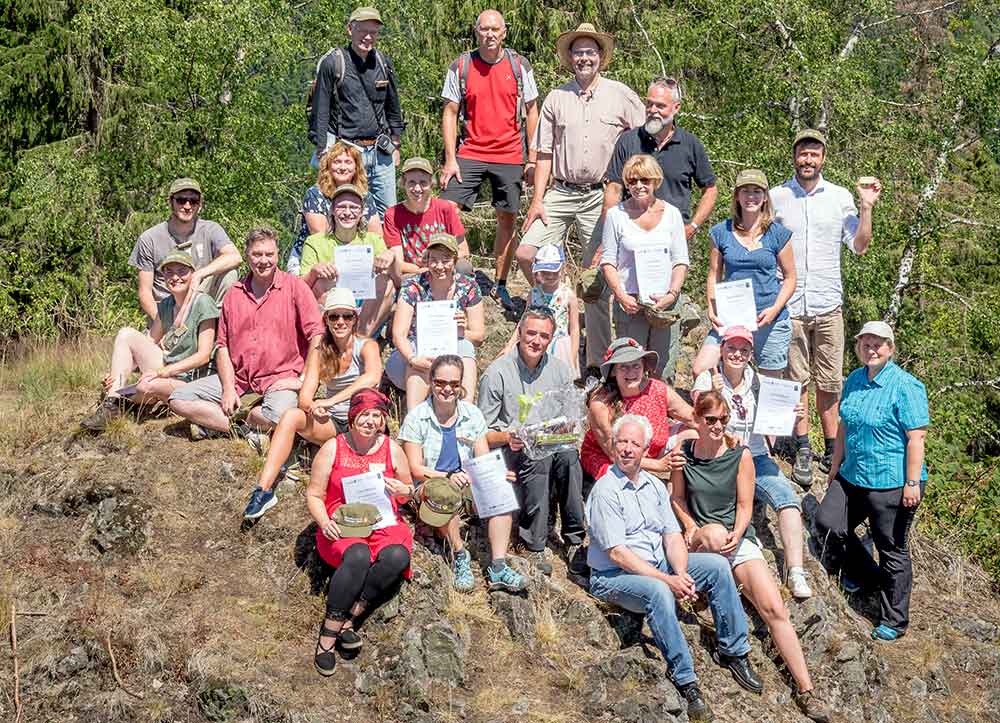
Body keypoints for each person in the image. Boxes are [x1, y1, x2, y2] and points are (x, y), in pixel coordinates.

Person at [670, 392, 831, 722]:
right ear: (698, 420)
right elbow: (677, 499)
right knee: (712, 534)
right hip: (702, 537)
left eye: (723, 420)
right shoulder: (684, 453)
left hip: (736, 537)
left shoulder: (740, 455)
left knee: (774, 607)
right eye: (711, 420)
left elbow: (745, 506)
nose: (717, 426)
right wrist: (689, 526)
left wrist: (737, 534)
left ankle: (806, 689)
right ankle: (709, 603)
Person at [587, 414, 758, 722]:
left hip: (658, 564)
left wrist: (679, 572)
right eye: (622, 442)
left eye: (634, 444)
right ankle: (686, 680)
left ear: (644, 450)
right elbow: (618, 555)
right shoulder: (605, 490)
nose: (627, 449)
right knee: (657, 592)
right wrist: (668, 580)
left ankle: (733, 650)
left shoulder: (653, 485)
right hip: (614, 576)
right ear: (613, 446)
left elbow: (672, 535)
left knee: (718, 566)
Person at [770, 129, 883, 483]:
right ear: (794, 157)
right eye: (803, 154)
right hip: (789, 304)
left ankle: (834, 448)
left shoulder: (839, 197)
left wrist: (866, 208)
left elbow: (860, 245)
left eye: (814, 154)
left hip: (827, 303)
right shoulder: (777, 197)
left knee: (831, 383)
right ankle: (803, 447)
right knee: (796, 382)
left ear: (823, 158)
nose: (808, 160)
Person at [814, 321, 928, 642]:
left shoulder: (906, 386)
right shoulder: (853, 380)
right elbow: (844, 427)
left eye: (878, 344)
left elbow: (916, 437)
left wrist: (911, 482)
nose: (872, 349)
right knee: (827, 523)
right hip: (853, 475)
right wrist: (835, 466)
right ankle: (867, 576)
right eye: (866, 343)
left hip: (892, 482)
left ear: (890, 348)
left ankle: (894, 619)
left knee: (890, 547)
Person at [598, 77, 717, 379]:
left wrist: (692, 226)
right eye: (649, 103)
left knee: (664, 351)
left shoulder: (690, 144)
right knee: (629, 352)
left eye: (660, 105)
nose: (652, 109)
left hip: (671, 238)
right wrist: (612, 228)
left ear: (675, 108)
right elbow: (613, 187)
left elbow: (710, 189)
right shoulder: (629, 141)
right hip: (631, 241)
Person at [515, 23, 644, 282]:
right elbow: (544, 154)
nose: (584, 58)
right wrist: (537, 200)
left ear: (600, 56)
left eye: (590, 52)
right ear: (570, 58)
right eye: (578, 52)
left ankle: (589, 319)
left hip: (601, 195)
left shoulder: (621, 95)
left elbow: (644, 141)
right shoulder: (556, 97)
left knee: (596, 271)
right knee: (527, 254)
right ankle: (556, 304)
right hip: (560, 193)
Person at [691, 326, 813, 598]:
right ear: (721, 350)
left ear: (751, 354)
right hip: (722, 458)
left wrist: (791, 414)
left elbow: (774, 419)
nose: (737, 354)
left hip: (756, 456)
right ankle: (745, 541)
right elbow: (697, 409)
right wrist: (712, 391)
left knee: (788, 501)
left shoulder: (759, 382)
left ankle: (796, 571)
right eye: (731, 348)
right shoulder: (708, 378)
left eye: (744, 349)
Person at [169, 227, 324, 438]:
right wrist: (227, 388)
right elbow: (222, 346)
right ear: (247, 255)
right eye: (257, 254)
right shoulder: (234, 293)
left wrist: (303, 378)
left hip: (281, 378)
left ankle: (230, 421)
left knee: (278, 416)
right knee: (178, 398)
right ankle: (240, 428)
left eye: (269, 254)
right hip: (240, 379)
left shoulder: (294, 287)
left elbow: (317, 334)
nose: (263, 260)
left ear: (278, 254)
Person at [243, 288, 383, 520]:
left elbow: (372, 377)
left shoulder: (367, 346)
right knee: (290, 415)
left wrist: (329, 401)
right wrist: (313, 406)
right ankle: (264, 489)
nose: (340, 322)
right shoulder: (320, 351)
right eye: (334, 316)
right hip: (333, 423)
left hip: (361, 422)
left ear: (355, 319)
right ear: (326, 319)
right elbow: (305, 396)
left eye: (346, 316)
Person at [305, 388, 414, 676]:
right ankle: (328, 637)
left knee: (397, 556)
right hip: (343, 523)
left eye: (376, 415)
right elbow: (314, 494)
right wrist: (323, 521)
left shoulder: (392, 448)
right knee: (358, 555)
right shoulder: (334, 447)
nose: (370, 421)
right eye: (364, 414)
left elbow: (407, 493)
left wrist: (405, 491)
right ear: (352, 417)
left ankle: (351, 617)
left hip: (383, 523)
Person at [398, 354, 525, 593]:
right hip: (431, 484)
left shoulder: (472, 414)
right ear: (431, 382)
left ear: (461, 385)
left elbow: (483, 458)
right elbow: (415, 468)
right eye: (440, 383)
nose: (447, 389)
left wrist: (496, 475)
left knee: (501, 491)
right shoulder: (417, 418)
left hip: (466, 481)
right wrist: (446, 477)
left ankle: (498, 565)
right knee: (443, 493)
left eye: (454, 384)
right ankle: (460, 553)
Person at [439, 8, 539, 310]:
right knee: (445, 208)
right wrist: (450, 159)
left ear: (504, 32)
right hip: (470, 150)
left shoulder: (519, 66)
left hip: (509, 152)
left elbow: (533, 109)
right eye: (484, 29)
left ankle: (500, 284)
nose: (490, 34)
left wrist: (532, 157)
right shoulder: (461, 66)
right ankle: (460, 265)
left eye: (495, 29)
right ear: (476, 31)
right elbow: (450, 112)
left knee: (506, 217)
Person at [478, 306, 584, 574]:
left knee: (570, 457)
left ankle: (575, 538)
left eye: (544, 336)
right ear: (520, 333)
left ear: (552, 338)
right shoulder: (497, 373)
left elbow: (569, 419)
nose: (536, 341)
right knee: (538, 457)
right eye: (531, 334)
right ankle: (533, 543)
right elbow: (481, 435)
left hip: (548, 441)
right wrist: (508, 437)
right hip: (508, 447)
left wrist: (568, 427)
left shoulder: (560, 370)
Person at [81, 251, 219, 431]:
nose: (175, 277)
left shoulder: (203, 303)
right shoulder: (166, 304)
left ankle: (131, 403)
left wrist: (163, 372)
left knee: (145, 386)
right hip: (167, 368)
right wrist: (116, 374)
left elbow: (203, 355)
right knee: (126, 334)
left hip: (191, 378)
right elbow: (148, 343)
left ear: (192, 274)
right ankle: (112, 403)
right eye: (169, 272)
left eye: (182, 271)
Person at [691, 169, 796, 378]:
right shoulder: (720, 232)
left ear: (765, 197)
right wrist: (712, 309)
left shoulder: (778, 234)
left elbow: (791, 277)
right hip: (732, 318)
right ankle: (723, 411)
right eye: (745, 191)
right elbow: (713, 274)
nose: (751, 197)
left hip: (770, 320)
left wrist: (774, 310)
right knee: (701, 370)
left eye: (756, 191)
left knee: (768, 387)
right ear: (736, 196)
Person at [308, 6, 404, 217]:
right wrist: (322, 148)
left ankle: (386, 250)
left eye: (374, 32)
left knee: (388, 214)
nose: (368, 37)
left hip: (381, 151)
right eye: (362, 31)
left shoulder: (383, 62)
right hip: (347, 151)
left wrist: (396, 143)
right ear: (350, 29)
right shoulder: (333, 62)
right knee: (348, 211)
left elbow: (393, 103)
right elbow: (320, 108)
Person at [600, 154, 689, 379]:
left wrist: (672, 294)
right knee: (629, 365)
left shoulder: (672, 214)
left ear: (655, 181)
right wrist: (620, 295)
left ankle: (660, 412)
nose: (638, 186)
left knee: (663, 368)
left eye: (644, 180)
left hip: (664, 304)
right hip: (630, 302)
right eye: (632, 181)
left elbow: (680, 260)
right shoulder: (615, 215)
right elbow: (608, 261)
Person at [387, 233, 485, 410]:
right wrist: (412, 358)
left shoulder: (468, 286)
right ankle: (414, 421)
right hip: (412, 354)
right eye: (434, 260)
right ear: (427, 260)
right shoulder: (413, 286)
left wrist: (462, 331)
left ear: (455, 260)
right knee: (418, 355)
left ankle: (466, 414)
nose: (440, 266)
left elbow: (478, 336)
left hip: (451, 352)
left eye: (446, 260)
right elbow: (398, 334)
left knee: (466, 347)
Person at [580, 337, 695, 483]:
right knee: (623, 482)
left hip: (650, 448)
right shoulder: (600, 404)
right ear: (614, 371)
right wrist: (658, 465)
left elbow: (693, 417)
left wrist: (723, 435)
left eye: (636, 366)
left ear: (644, 367)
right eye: (624, 367)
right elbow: (613, 453)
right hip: (610, 457)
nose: (631, 372)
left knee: (692, 434)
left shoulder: (657, 388)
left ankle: (678, 490)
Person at [128, 177, 240, 322]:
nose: (187, 206)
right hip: (166, 311)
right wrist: (162, 325)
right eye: (181, 200)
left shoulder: (211, 229)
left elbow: (235, 257)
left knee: (230, 273)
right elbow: (144, 293)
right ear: (170, 202)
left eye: (193, 201)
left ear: (200, 205)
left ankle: (218, 328)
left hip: (200, 304)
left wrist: (199, 275)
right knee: (126, 337)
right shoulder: (149, 238)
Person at [299, 183, 397, 336]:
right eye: (341, 207)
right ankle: (327, 338)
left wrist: (391, 258)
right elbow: (299, 288)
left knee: (386, 282)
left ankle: (360, 339)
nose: (347, 212)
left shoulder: (373, 240)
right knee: (319, 282)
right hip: (331, 305)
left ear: (362, 212)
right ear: (332, 210)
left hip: (364, 305)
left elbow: (396, 281)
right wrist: (314, 272)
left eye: (354, 207)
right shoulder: (314, 242)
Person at [287, 141, 381, 276]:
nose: (343, 167)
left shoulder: (366, 196)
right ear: (328, 167)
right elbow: (321, 238)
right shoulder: (315, 194)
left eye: (348, 162)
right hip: (314, 257)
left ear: (356, 167)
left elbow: (376, 236)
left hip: (357, 256)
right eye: (337, 162)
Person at [383, 157, 473, 276]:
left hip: (444, 268)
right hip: (413, 272)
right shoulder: (392, 214)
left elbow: (463, 251)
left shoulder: (445, 208)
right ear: (403, 183)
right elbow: (398, 261)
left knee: (463, 267)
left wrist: (435, 262)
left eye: (423, 183)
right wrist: (420, 270)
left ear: (431, 183)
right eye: (412, 182)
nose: (417, 188)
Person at [499, 245, 580, 376]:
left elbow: (575, 329)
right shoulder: (534, 293)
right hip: (537, 341)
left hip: (559, 345)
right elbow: (524, 321)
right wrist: (510, 344)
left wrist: (572, 356)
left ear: (562, 268)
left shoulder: (568, 295)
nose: (550, 276)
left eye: (554, 271)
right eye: (545, 272)